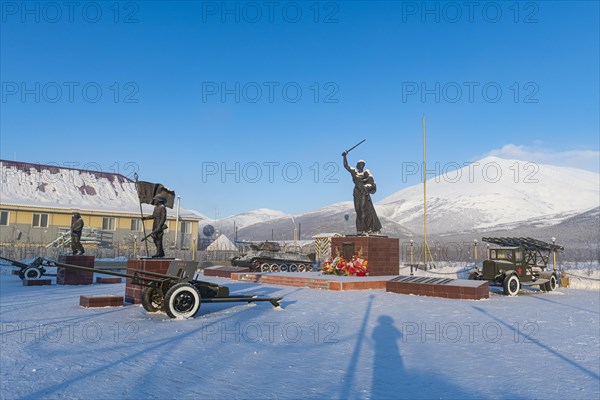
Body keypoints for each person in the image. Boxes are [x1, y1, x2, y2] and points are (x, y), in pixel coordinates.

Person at [342, 152, 382, 235]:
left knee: (363, 209)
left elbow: (372, 183)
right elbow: (346, 166)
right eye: (360, 164)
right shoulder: (354, 172)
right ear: (357, 165)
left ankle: (365, 229)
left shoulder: (366, 173)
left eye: (362, 165)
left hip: (363, 192)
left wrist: (367, 186)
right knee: (358, 210)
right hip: (356, 192)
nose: (361, 166)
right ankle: (360, 229)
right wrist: (344, 156)